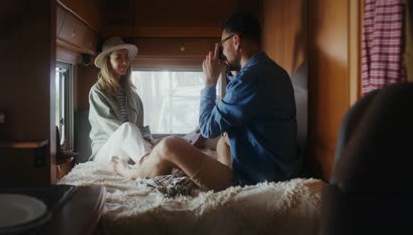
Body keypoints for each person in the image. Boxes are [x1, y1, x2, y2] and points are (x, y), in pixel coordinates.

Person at [111, 11, 301, 191]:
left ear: (236, 41)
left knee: (170, 145)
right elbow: (239, 111)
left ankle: (132, 172)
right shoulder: (272, 71)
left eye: (222, 43)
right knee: (223, 141)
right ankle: (208, 172)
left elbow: (208, 127)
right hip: (276, 167)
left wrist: (209, 83)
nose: (223, 51)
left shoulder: (250, 78)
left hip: (261, 177)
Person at [88, 36, 155, 169]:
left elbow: (140, 128)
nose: (125, 62)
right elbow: (115, 131)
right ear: (108, 62)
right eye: (119, 57)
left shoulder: (133, 96)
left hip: (129, 151)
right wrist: (141, 142)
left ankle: (155, 162)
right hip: (105, 152)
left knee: (161, 142)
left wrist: (150, 142)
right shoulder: (97, 92)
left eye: (126, 57)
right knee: (128, 128)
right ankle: (151, 167)